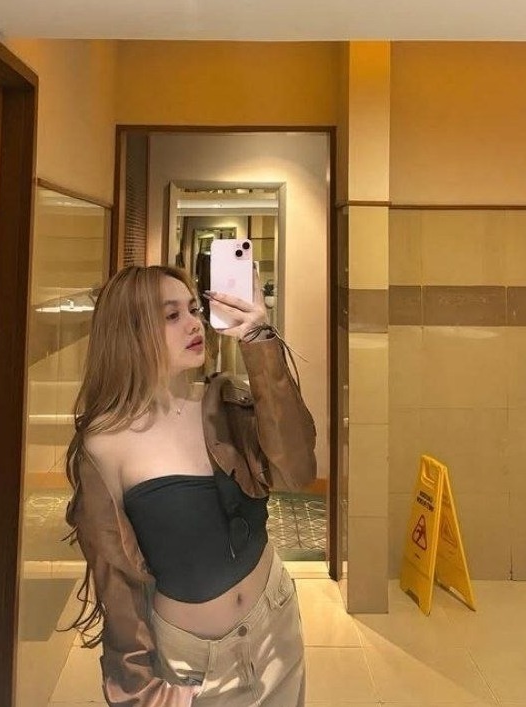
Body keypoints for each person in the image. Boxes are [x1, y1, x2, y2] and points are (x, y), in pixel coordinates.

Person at [65, 264, 317, 706]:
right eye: (171, 315)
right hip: (194, 663)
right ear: (129, 331)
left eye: (194, 309)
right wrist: (139, 689)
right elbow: (116, 581)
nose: (194, 323)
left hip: (275, 622)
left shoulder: (224, 401)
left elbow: (298, 470)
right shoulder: (105, 443)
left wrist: (259, 340)